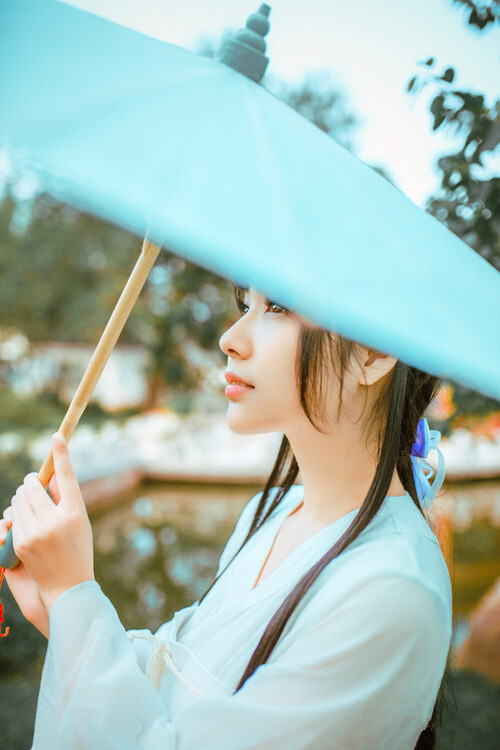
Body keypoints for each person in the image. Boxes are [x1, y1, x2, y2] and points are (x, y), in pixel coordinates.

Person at [0, 284, 453, 749]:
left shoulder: (391, 588)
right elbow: (176, 692)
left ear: (374, 352)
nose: (230, 338)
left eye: (276, 307)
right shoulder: (269, 514)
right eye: (245, 305)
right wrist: (62, 610)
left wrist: (73, 593)